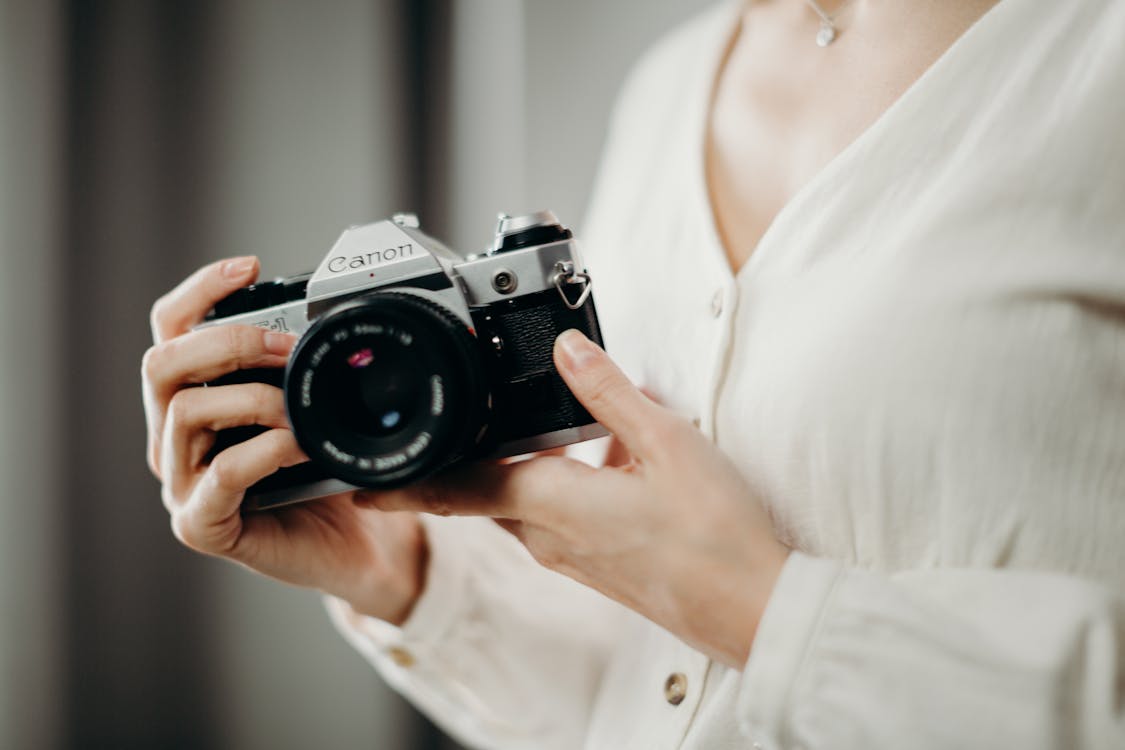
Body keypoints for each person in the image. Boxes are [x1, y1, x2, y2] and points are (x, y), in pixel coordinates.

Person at [141, 0, 1125, 747]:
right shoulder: (669, 89)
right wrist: (406, 577)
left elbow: (733, 624)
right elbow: (657, 695)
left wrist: (765, 613)